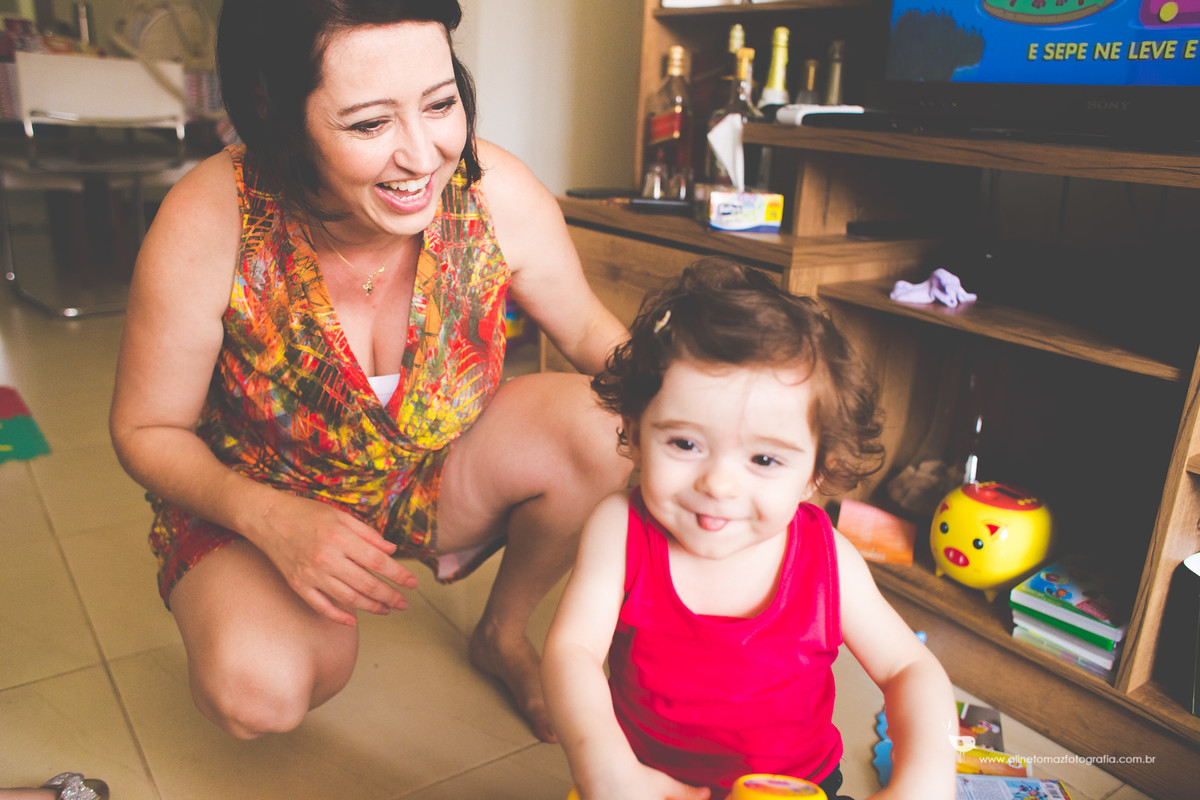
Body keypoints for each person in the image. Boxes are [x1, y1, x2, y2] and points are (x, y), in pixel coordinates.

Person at [108, 0, 630, 744]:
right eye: (369, 124)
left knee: (613, 426)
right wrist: (270, 518)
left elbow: (588, 331)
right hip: (259, 496)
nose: (423, 156)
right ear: (276, 109)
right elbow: (144, 428)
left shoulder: (493, 193)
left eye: (442, 102)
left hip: (426, 476)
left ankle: (504, 634)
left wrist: (732, 426)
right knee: (259, 689)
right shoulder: (212, 217)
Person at [542, 258, 958, 800]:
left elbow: (908, 667)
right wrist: (604, 764)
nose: (719, 484)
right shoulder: (620, 528)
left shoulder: (825, 556)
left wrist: (925, 779)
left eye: (764, 459)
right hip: (646, 783)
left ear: (818, 472)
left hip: (792, 788)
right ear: (638, 431)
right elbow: (571, 650)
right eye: (685, 444)